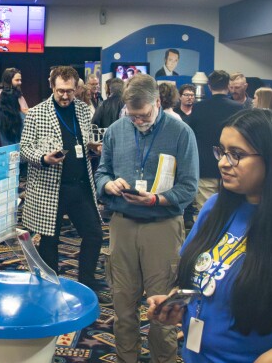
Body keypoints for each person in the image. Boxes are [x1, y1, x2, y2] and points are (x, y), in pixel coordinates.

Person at [148, 109, 272, 362]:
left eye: (237, 155)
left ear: (271, 158)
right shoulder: (214, 209)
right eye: (222, 152)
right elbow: (206, 282)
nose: (223, 162)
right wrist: (180, 305)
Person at [94, 74, 198, 363]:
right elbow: (102, 171)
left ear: (158, 103)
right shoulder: (116, 130)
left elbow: (189, 187)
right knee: (123, 305)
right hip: (123, 224)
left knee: (162, 309)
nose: (138, 121)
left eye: (144, 115)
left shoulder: (180, 133)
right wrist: (107, 184)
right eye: (132, 115)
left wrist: (156, 199)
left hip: (162, 226)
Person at [20, 66, 103, 290]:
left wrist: (92, 146)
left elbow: (82, 141)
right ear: (52, 87)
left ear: (77, 88)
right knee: (49, 241)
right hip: (49, 189)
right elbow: (25, 149)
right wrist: (44, 158)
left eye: (69, 91)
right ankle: (50, 286)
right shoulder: (37, 113)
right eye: (60, 91)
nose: (65, 96)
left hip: (81, 186)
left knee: (94, 234)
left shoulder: (84, 111)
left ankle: (86, 281)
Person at [186, 70, 243, 217]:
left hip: (205, 167)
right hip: (232, 167)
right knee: (231, 212)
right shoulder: (239, 109)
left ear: (209, 86)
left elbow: (191, 135)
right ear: (228, 86)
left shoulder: (198, 108)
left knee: (205, 213)